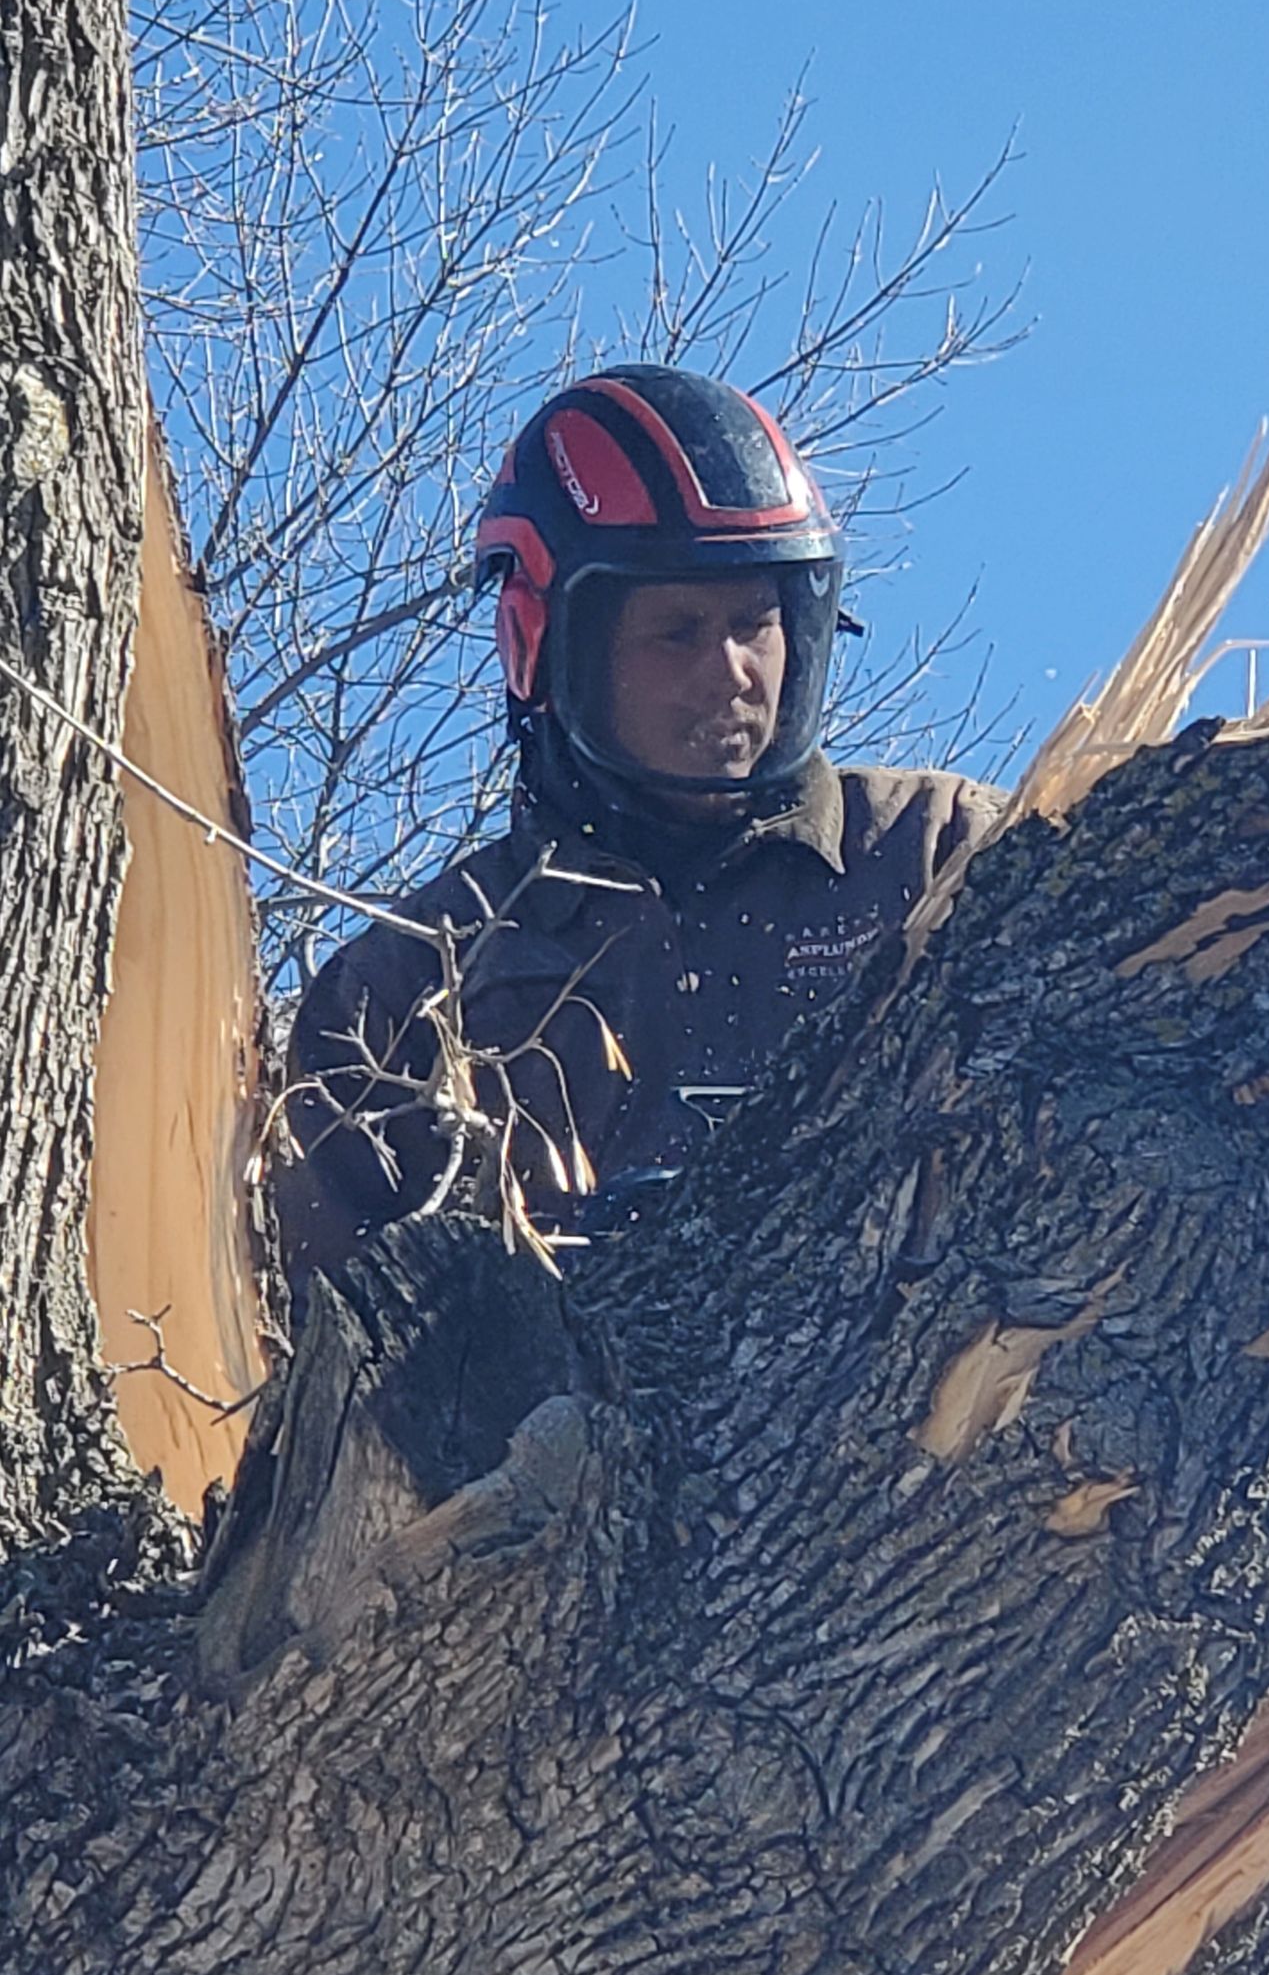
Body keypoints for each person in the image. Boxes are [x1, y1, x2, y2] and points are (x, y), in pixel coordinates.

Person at [277, 364, 1004, 1288]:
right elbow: (316, 1332)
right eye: (678, 632)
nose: (732, 671)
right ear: (544, 644)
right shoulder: (414, 983)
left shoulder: (936, 853)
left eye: (757, 623)